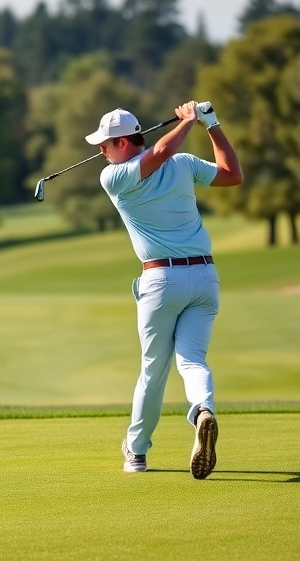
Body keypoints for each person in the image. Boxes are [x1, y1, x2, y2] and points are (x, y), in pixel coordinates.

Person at [83, 101, 243, 479]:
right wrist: (207, 124)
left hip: (161, 282)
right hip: (204, 277)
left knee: (154, 370)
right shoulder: (152, 168)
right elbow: (171, 155)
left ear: (122, 142)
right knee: (192, 360)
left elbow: (229, 175)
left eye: (104, 144)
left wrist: (202, 124)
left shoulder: (116, 177)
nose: (100, 151)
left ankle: (136, 453)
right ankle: (203, 410)